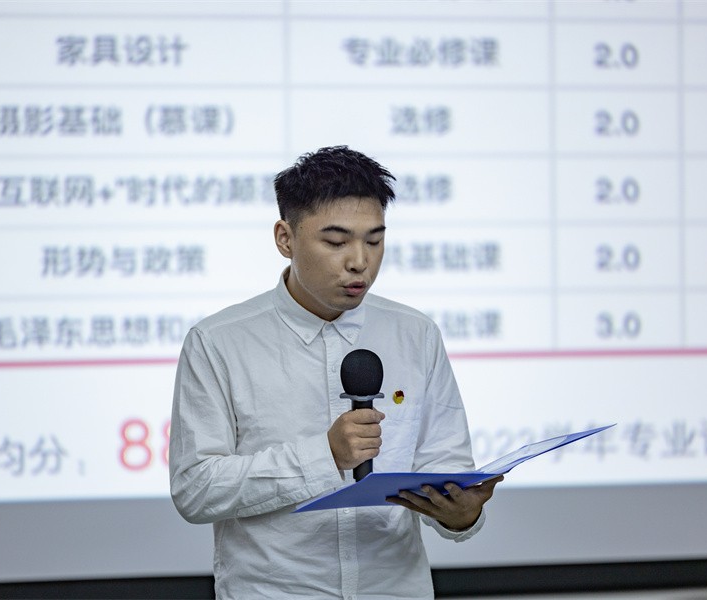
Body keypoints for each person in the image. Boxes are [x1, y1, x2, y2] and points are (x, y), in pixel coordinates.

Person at [169, 146, 501, 599]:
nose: (359, 261)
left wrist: (460, 515)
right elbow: (195, 489)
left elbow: (445, 465)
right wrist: (323, 456)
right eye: (336, 242)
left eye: (374, 241)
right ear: (285, 238)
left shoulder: (415, 334)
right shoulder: (218, 342)